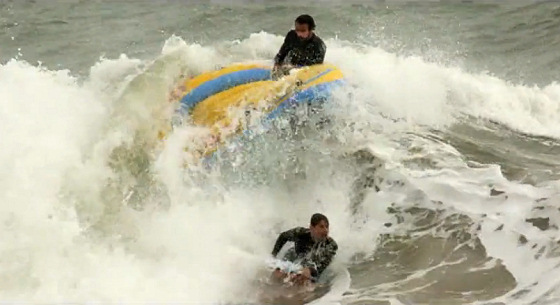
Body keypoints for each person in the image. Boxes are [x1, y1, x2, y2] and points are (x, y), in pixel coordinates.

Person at [270, 213, 338, 286]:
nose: (325, 230)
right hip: (293, 255)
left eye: (327, 227)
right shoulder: (301, 233)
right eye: (321, 227)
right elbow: (283, 236)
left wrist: (309, 270)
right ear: (311, 228)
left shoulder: (331, 245)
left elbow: (321, 267)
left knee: (303, 277)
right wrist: (273, 255)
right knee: (277, 274)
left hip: (312, 265)